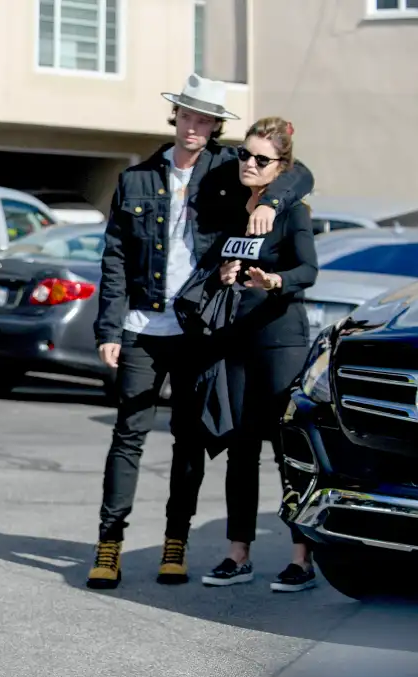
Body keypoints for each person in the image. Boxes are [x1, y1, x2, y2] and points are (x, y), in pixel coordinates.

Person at [87, 74, 315, 589]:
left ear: (215, 127)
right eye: (188, 116)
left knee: (189, 440)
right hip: (141, 326)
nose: (194, 126)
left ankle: (177, 542)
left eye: (205, 120)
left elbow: (298, 173)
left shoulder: (230, 168)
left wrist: (270, 203)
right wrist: (109, 328)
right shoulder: (136, 178)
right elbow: (115, 258)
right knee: (128, 434)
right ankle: (109, 544)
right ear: (176, 117)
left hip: (197, 330)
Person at [200, 117, 319, 591]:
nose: (249, 163)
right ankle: (238, 554)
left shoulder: (292, 211)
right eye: (244, 154)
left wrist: (275, 280)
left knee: (288, 451)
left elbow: (309, 270)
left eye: (261, 159)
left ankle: (301, 558)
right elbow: (219, 261)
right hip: (237, 340)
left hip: (281, 339)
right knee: (241, 448)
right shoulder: (235, 207)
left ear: (280, 166)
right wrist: (224, 274)